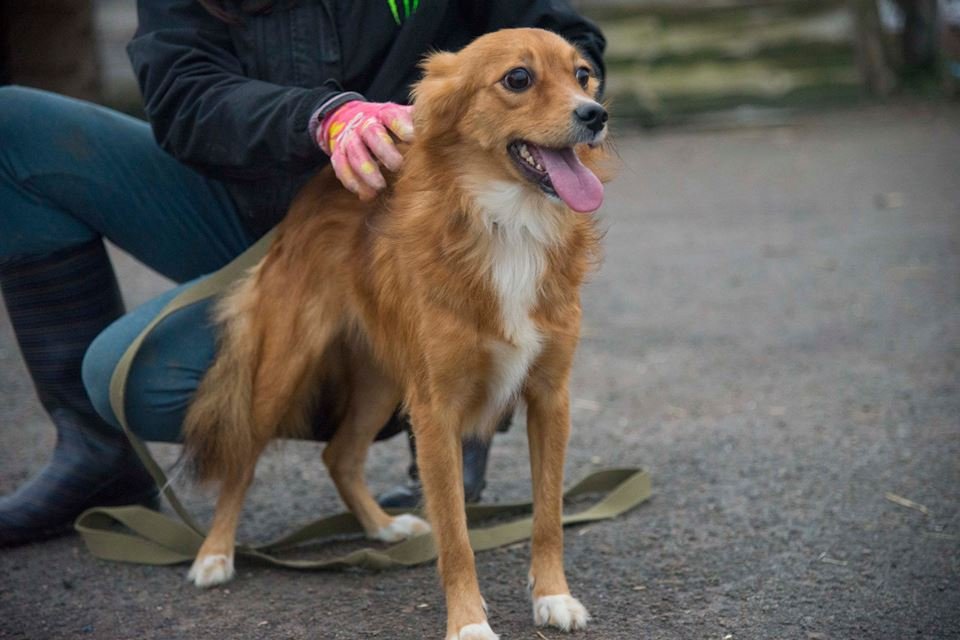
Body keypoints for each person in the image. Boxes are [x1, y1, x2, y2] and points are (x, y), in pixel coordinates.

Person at [0, 0, 605, 546]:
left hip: (412, 215)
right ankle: (97, 456)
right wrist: (323, 117)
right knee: (16, 131)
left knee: (139, 374)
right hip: (243, 196)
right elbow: (180, 90)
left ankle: (448, 400)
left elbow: (567, 36)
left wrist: (533, 97)